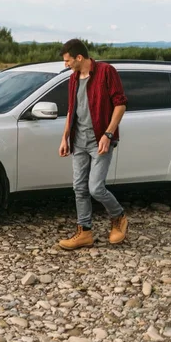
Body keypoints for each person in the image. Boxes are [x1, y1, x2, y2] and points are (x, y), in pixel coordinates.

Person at [58, 39, 128, 250]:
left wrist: (108, 134)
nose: (65, 64)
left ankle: (119, 217)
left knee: (96, 188)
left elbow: (120, 104)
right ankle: (85, 232)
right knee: (79, 188)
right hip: (78, 141)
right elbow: (72, 109)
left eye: (67, 60)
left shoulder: (107, 71)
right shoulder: (73, 79)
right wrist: (65, 137)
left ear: (79, 57)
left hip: (100, 140)